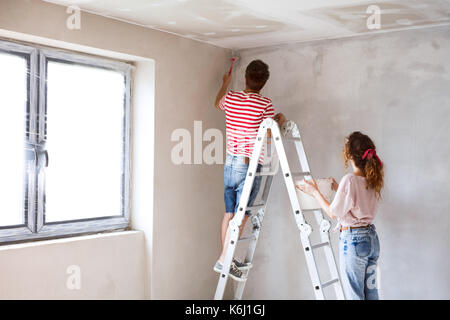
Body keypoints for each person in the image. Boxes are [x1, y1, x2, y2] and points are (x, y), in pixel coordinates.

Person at [213, 59, 286, 281]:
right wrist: (279, 121)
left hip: (231, 162)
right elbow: (267, 134)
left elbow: (217, 102)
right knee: (242, 214)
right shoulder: (265, 103)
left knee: (229, 212)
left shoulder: (232, 97)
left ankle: (224, 258)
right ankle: (225, 259)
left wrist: (225, 83)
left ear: (245, 78)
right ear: (263, 83)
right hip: (248, 165)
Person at [297, 131, 384, 299]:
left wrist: (314, 191)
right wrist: (338, 189)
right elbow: (357, 204)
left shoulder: (350, 180)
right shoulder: (372, 179)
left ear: (350, 155)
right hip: (371, 240)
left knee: (355, 295)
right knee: (372, 295)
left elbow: (333, 213)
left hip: (355, 241)